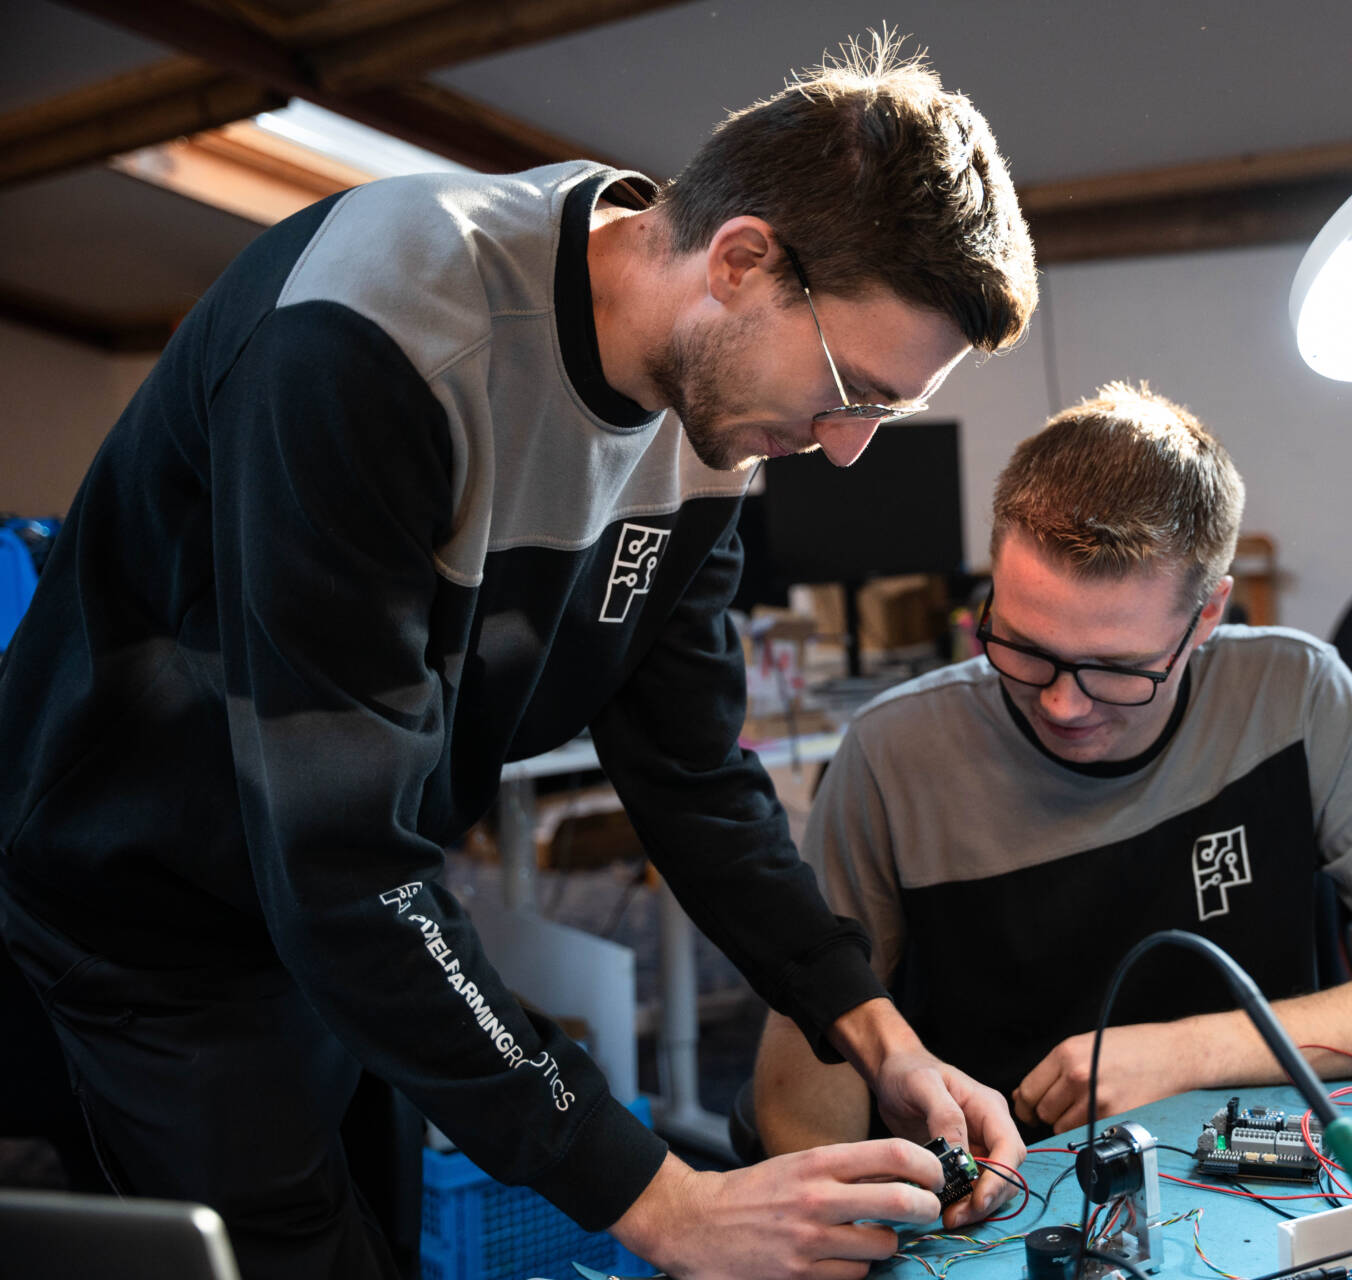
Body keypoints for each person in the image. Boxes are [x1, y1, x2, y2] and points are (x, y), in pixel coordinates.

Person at [0, 38, 1036, 1280]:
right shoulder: (377, 330)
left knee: (392, 1217)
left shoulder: (715, 419)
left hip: (348, 907)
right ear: (743, 257)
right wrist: (667, 1205)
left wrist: (874, 1032)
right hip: (150, 909)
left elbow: (694, 775)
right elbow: (341, 852)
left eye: (885, 412)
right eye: (848, 387)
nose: (849, 447)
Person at [753, 383, 1352, 1155]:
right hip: (1007, 1206)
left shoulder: (1295, 697)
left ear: (1208, 615)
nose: (1062, 704)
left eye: (1116, 669)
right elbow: (807, 1066)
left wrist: (1186, 1054)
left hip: (1260, 1180)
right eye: (1023, 647)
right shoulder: (894, 756)